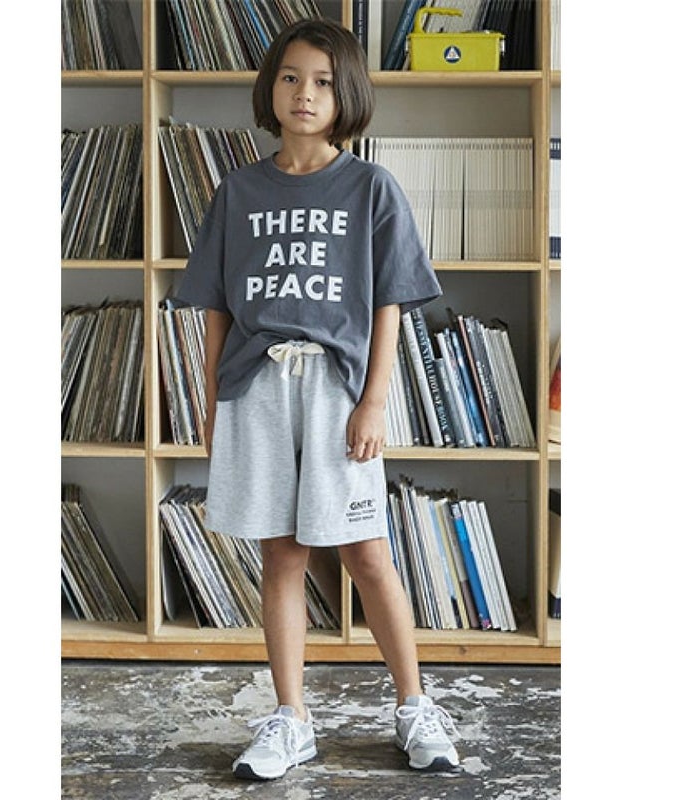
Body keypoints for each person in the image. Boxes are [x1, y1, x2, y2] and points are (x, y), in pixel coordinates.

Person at [174, 17, 460, 781]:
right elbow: (216, 310)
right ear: (271, 88)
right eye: (292, 77)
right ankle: (291, 717)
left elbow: (390, 303)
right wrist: (212, 403)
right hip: (256, 390)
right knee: (282, 552)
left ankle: (414, 705)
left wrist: (374, 401)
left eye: (324, 82)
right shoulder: (238, 191)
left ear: (347, 95)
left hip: (337, 391)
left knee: (367, 551)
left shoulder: (370, 188)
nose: (305, 93)